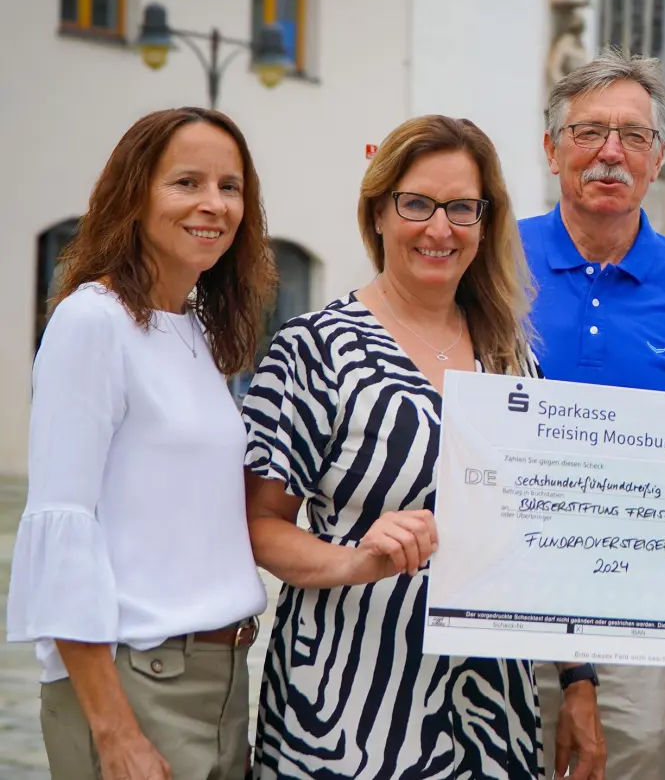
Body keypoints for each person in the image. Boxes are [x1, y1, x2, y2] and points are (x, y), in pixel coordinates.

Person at [241, 115, 605, 779]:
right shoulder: (314, 349)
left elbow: (543, 534)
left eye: (462, 208)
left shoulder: (511, 357)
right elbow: (258, 526)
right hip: (349, 708)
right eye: (417, 204)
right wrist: (354, 560)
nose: (440, 228)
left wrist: (577, 677)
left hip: (492, 711)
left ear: (485, 223)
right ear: (378, 212)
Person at [8, 107, 276, 778]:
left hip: (219, 677)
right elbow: (62, 527)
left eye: (230, 186)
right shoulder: (91, 323)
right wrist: (114, 731)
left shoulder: (193, 331)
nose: (214, 204)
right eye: (186, 182)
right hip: (135, 681)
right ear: (134, 195)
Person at [520, 50, 665, 780]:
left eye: (634, 136)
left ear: (658, 159)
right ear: (552, 150)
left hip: (641, 604)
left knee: (633, 759)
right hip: (506, 588)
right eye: (589, 132)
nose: (611, 153)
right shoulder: (492, 264)